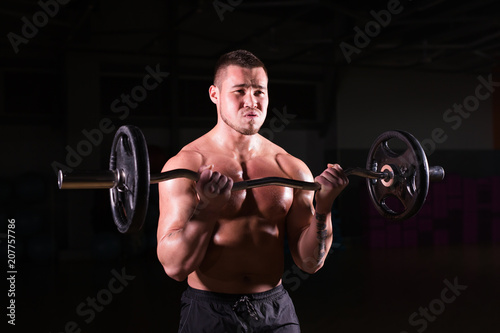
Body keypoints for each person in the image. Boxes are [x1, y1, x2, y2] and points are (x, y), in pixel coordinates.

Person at [157, 50, 348, 332]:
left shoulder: (291, 169)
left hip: (275, 309)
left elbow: (310, 263)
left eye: (259, 91)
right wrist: (207, 209)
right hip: (209, 311)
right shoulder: (185, 165)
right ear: (215, 94)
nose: (251, 101)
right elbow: (174, 268)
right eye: (240, 91)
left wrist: (324, 207)